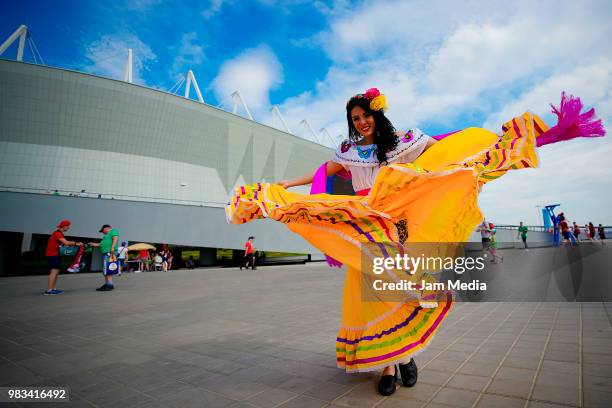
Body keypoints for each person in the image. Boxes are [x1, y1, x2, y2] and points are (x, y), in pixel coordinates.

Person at [226, 89, 605, 396]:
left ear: (377, 115)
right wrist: (286, 186)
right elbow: (324, 172)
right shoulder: (347, 151)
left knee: (405, 289)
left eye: (365, 116)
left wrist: (477, 158)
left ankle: (406, 358)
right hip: (367, 226)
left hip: (402, 225)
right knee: (369, 292)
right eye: (355, 119)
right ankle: (389, 364)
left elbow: (444, 159)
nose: (361, 122)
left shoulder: (404, 142)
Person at [44, 220, 83, 295]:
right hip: (53, 254)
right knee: (54, 271)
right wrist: (76, 243)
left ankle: (53, 288)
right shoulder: (57, 233)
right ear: (64, 226)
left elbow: (63, 244)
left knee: (56, 271)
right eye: (68, 226)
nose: (68, 228)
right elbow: (66, 242)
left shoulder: (59, 233)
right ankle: (49, 290)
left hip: (56, 254)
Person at [88, 224, 119, 291]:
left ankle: (110, 284)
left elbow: (115, 238)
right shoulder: (105, 236)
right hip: (105, 253)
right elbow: (100, 244)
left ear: (107, 228)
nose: (102, 232)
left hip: (110, 253)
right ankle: (107, 284)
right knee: (105, 269)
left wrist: (112, 248)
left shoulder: (113, 230)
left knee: (108, 268)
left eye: (102, 230)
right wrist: (93, 244)